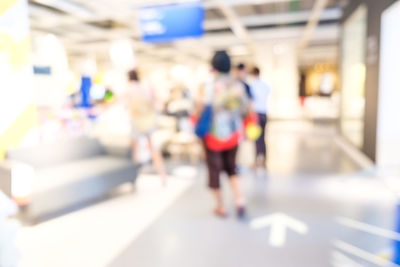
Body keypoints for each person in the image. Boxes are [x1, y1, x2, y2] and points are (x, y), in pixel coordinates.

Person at [198, 51, 248, 218]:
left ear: (213, 66)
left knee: (214, 170)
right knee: (232, 167)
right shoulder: (238, 85)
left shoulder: (209, 86)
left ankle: (220, 206)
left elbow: (201, 108)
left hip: (214, 136)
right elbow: (245, 109)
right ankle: (239, 199)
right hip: (234, 134)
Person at [125, 69, 167, 186]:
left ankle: (133, 179)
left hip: (137, 122)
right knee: (153, 148)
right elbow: (154, 103)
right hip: (148, 122)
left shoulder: (129, 89)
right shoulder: (145, 88)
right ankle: (162, 176)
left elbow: (129, 107)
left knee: (134, 150)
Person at [249, 67, 271, 169]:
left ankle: (257, 161)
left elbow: (252, 100)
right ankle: (264, 159)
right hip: (264, 113)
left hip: (256, 114)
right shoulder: (265, 85)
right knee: (263, 137)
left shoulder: (253, 86)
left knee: (257, 138)